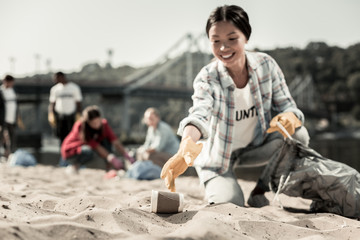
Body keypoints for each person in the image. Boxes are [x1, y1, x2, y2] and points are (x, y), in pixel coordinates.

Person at [161, 5, 310, 207]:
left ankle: (260, 191)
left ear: (246, 37)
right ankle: (219, 187)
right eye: (216, 41)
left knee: (298, 135)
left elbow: (289, 107)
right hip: (217, 159)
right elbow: (199, 115)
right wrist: (184, 147)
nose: (223, 48)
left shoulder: (266, 65)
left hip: (254, 148)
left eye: (232, 39)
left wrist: (290, 116)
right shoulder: (207, 77)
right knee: (230, 205)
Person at [61, 105, 135, 174]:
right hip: (71, 152)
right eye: (93, 123)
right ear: (88, 122)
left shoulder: (104, 124)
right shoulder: (81, 127)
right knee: (89, 151)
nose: (96, 125)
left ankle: (110, 169)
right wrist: (111, 158)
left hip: (88, 148)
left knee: (106, 141)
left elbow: (114, 141)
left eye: (98, 122)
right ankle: (74, 165)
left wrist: (126, 155)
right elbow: (96, 146)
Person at [48, 72, 83, 145]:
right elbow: (52, 103)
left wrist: (78, 114)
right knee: (61, 137)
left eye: (56, 78)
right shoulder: (55, 89)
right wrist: (51, 114)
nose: (55, 80)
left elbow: (78, 103)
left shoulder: (74, 88)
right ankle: (63, 153)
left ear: (62, 77)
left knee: (72, 135)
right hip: (60, 117)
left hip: (71, 116)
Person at [1, 75, 20, 158]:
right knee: (4, 137)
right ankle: (4, 153)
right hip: (3, 119)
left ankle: (11, 154)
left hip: (12, 119)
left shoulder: (13, 91)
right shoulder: (1, 91)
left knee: (12, 137)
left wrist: (17, 116)